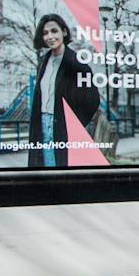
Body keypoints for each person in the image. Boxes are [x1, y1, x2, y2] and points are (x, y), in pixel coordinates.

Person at [27, 13, 99, 169]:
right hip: (41, 123)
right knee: (42, 167)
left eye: (54, 31)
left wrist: (73, 125)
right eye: (45, 33)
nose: (50, 36)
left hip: (61, 125)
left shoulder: (76, 61)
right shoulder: (44, 62)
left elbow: (93, 99)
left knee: (59, 167)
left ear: (64, 32)